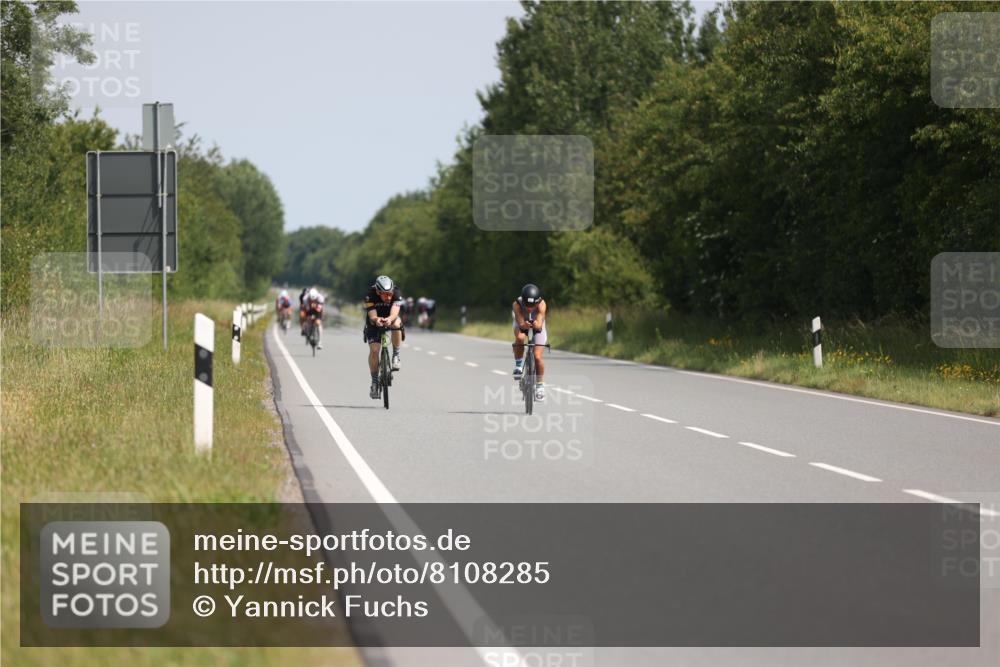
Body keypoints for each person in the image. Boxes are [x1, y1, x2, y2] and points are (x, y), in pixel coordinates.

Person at [363, 275, 404, 399]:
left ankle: (396, 356)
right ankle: (374, 382)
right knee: (374, 351)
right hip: (374, 320)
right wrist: (376, 320)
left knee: (397, 324)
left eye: (390, 294)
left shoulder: (396, 293)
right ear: (378, 292)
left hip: (390, 317)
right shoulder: (370, 294)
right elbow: (372, 314)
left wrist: (389, 319)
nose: (389, 297)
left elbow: (395, 313)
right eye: (385, 294)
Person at [512, 283, 547, 401]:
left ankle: (540, 385)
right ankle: (518, 365)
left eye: (533, 305)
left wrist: (537, 324)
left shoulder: (542, 304)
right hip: (521, 323)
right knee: (520, 338)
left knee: (537, 357)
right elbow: (520, 322)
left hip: (538, 326)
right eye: (527, 304)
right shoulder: (517, 304)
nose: (529, 308)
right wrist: (524, 324)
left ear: (538, 302)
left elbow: (539, 321)